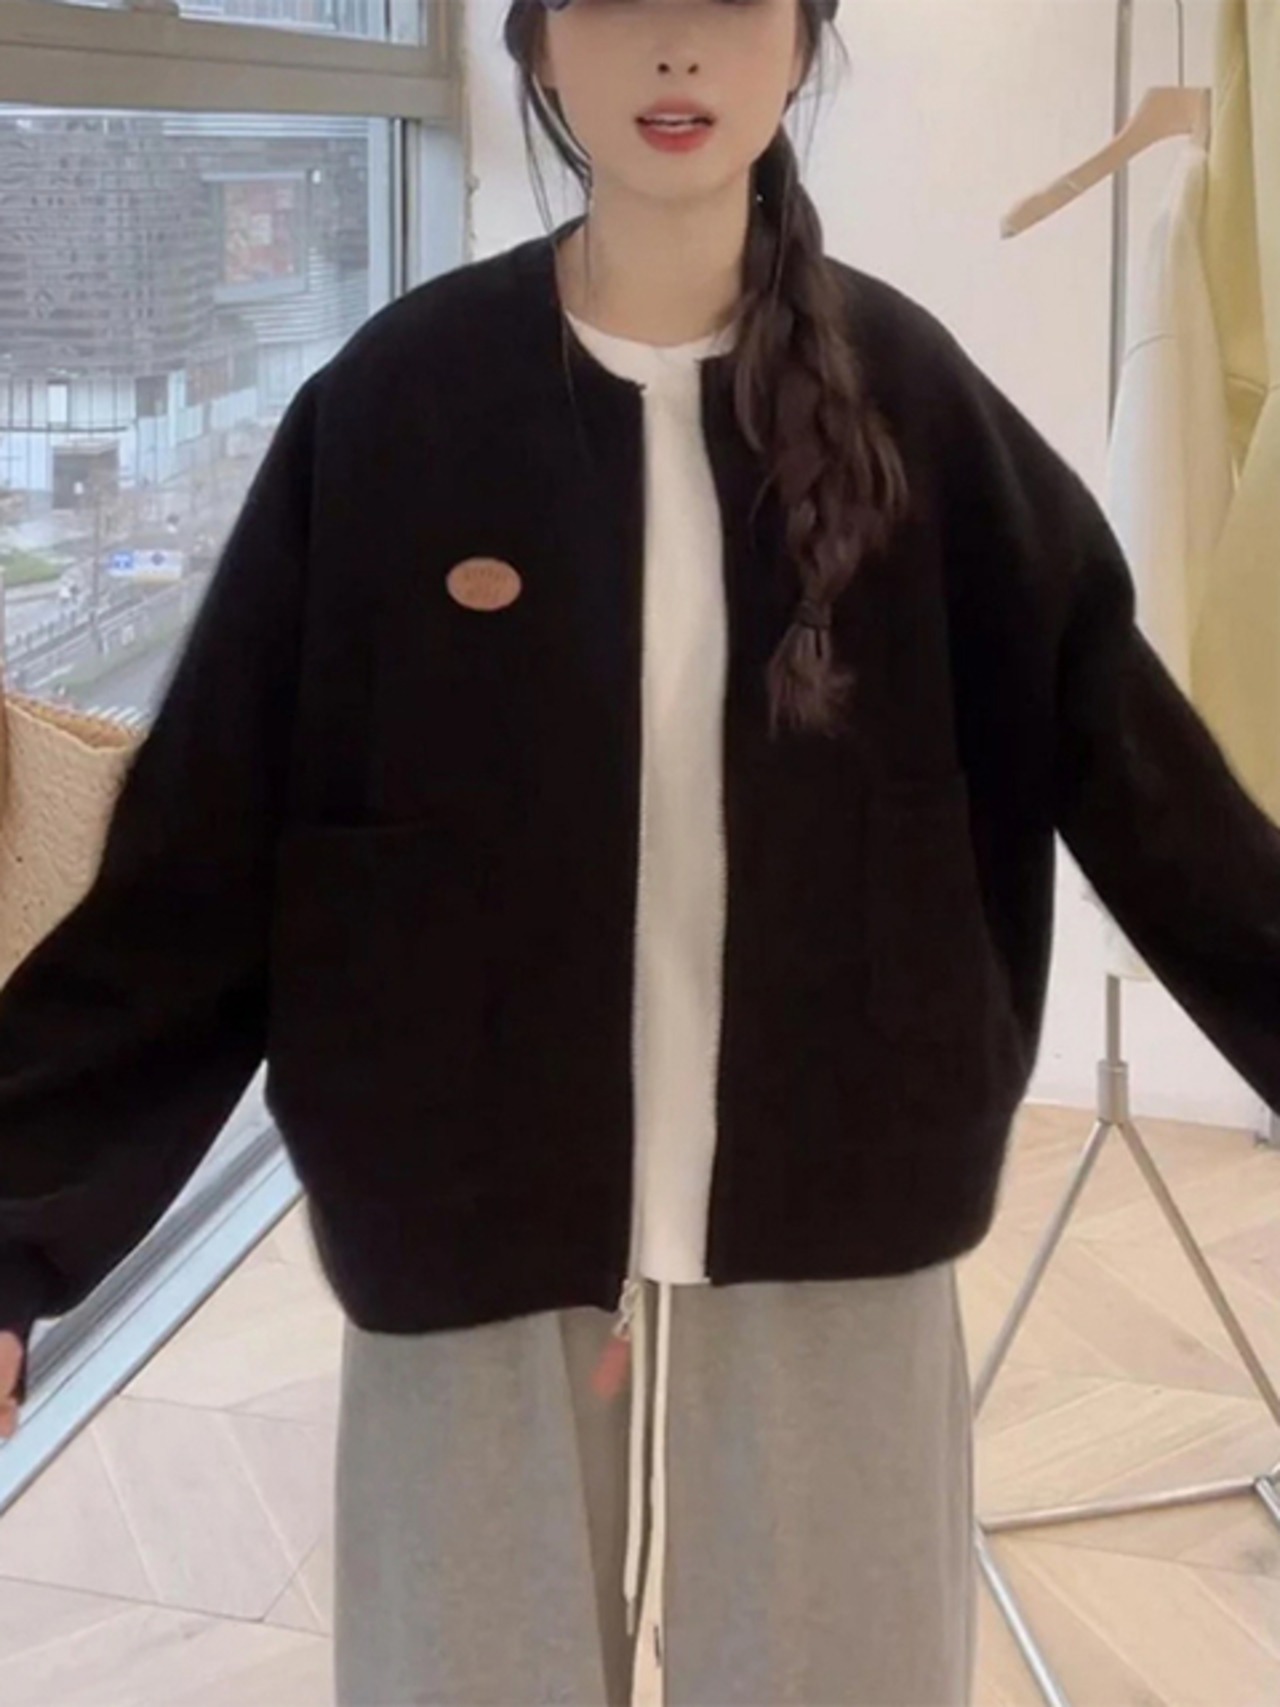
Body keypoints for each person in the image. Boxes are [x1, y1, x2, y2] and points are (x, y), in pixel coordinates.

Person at [3, 2, 1279, 1703]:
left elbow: (1148, 786)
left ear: (801, 44)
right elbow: (200, 856)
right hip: (465, 1180)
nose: (676, 51)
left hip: (844, 1174)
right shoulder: (396, 407)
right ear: (536, 47)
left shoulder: (915, 406)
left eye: (730, 1)